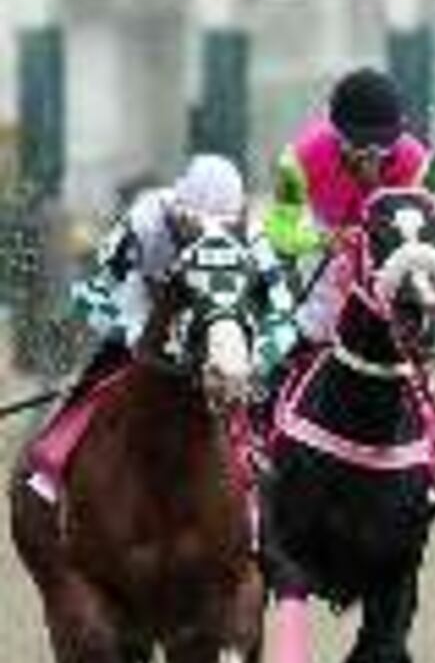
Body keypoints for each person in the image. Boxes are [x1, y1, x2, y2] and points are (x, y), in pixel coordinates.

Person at [29, 155, 297, 504]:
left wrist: (254, 361)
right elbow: (91, 296)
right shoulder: (143, 220)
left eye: (222, 227)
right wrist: (136, 335)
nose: (206, 234)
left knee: (262, 390)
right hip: (144, 307)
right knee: (98, 372)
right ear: (176, 208)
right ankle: (56, 460)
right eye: (195, 224)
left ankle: (266, 476)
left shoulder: (252, 233)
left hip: (218, 316)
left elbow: (283, 313)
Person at [266, 67, 435, 352]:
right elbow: (279, 232)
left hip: (389, 246)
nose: (372, 159)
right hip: (326, 240)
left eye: (384, 145)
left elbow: (424, 237)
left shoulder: (417, 163)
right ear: (337, 132)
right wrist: (321, 241)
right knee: (314, 321)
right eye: (360, 145)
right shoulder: (298, 160)